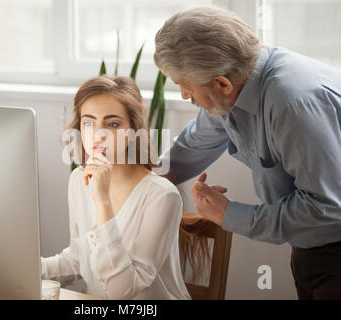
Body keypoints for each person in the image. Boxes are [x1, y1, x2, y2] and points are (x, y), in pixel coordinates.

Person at [154, 6, 341, 299]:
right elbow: (195, 142)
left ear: (221, 84)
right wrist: (139, 179)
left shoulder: (292, 102)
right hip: (310, 247)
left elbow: (328, 209)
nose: (184, 96)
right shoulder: (231, 87)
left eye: (184, 85)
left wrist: (229, 214)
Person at [41, 75, 191, 300]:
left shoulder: (163, 196)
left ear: (133, 131)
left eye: (112, 124)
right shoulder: (78, 180)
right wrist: (19, 267)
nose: (98, 134)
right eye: (88, 122)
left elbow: (123, 292)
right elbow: (77, 258)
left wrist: (102, 202)